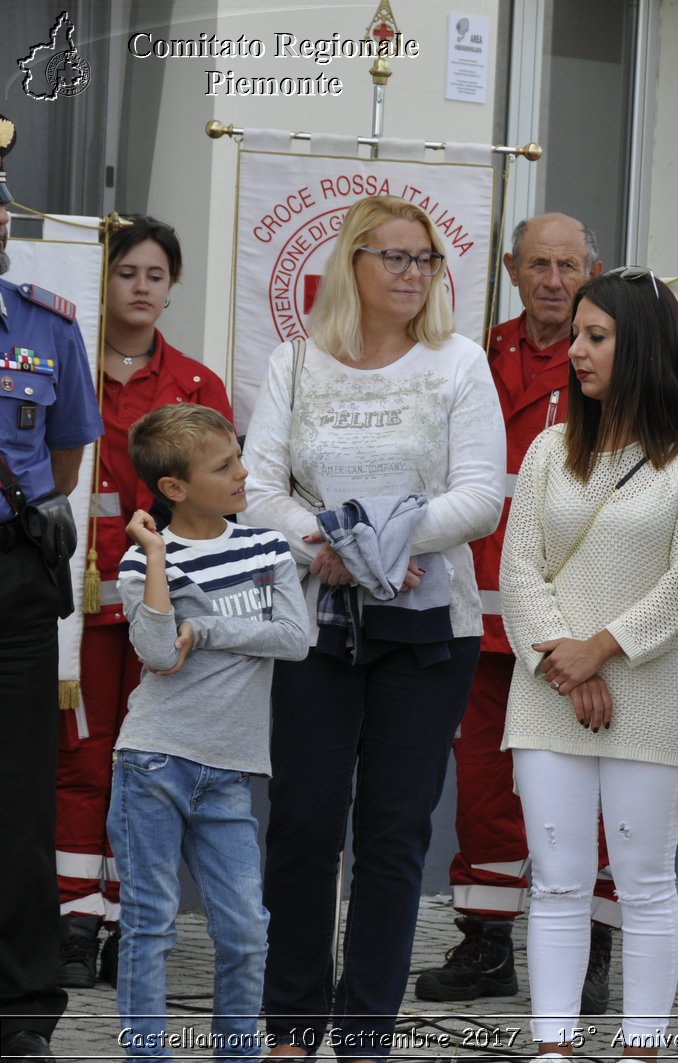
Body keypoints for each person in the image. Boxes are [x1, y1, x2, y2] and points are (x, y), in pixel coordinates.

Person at [240, 194, 504, 1058]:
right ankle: (290, 1023)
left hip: (431, 631)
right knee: (306, 819)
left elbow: (479, 496)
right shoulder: (297, 363)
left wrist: (373, 542)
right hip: (316, 619)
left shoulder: (459, 362)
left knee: (393, 829)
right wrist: (327, 546)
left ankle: (363, 1032)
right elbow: (256, 490)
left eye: (424, 259)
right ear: (351, 263)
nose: (412, 273)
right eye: (394, 257)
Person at [498, 266, 678, 1059]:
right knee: (557, 883)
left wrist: (603, 648)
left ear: (645, 348)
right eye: (579, 337)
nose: (578, 352)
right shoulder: (546, 450)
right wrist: (571, 663)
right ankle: (553, 1046)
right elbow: (518, 569)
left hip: (651, 699)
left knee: (642, 883)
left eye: (598, 337)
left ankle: (640, 1048)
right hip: (549, 695)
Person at [414, 212, 617, 1013]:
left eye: (570, 265)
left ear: (592, 269)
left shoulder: (611, 359)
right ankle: (487, 944)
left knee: (585, 793)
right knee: (485, 790)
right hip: (480, 620)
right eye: (539, 264)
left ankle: (590, 951)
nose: (555, 280)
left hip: (573, 627)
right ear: (510, 268)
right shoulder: (471, 359)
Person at [56, 214, 232, 990]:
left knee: (153, 768)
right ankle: (74, 916)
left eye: (155, 276)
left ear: (173, 287)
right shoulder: (65, 365)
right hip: (80, 605)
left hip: (166, 608)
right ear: (104, 277)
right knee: (83, 760)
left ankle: (135, 919)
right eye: (128, 272)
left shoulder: (197, 386)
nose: (140, 287)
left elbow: (222, 500)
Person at [109, 404, 309, 1059]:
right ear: (174, 488)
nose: (243, 471)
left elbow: (296, 638)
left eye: (238, 456)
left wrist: (210, 628)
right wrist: (160, 555)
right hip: (153, 764)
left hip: (229, 769)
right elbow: (161, 652)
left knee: (246, 929)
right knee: (150, 923)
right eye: (223, 465)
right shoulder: (141, 565)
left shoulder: (266, 545)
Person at [0, 198, 103, 1062]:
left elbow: (61, 463)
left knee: (20, 794)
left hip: (12, 575)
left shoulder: (46, 323)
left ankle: (21, 1002)